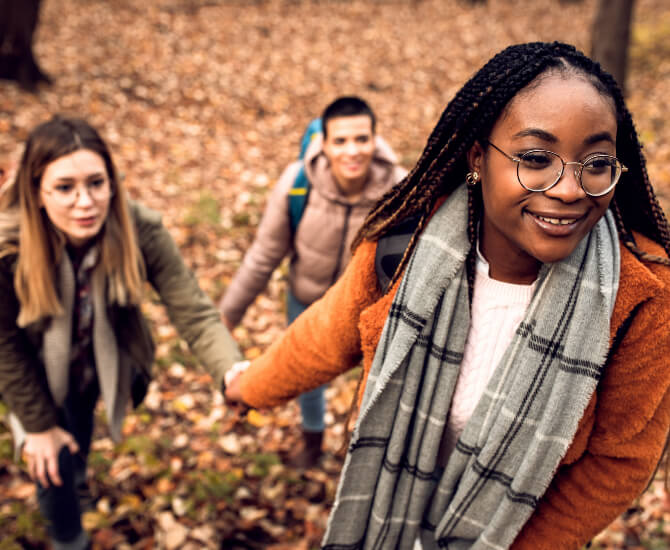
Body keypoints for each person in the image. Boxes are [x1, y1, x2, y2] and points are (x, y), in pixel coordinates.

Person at [225, 42, 670, 549]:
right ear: (478, 157)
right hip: (389, 518)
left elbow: (619, 460)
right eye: (536, 157)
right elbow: (323, 336)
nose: (570, 189)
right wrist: (248, 387)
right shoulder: (404, 243)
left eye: (595, 162)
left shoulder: (641, 295)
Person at [0, 116, 242, 550]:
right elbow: (2, 343)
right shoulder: (8, 248)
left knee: (80, 421)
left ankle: (78, 473)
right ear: (37, 191)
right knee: (49, 459)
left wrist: (232, 371)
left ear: (113, 181)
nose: (85, 202)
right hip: (32, 371)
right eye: (65, 188)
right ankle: (70, 538)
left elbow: (194, 311)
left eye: (96, 183)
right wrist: (37, 426)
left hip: (100, 362)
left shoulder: (138, 230)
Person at [220, 96, 407, 466]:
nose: (351, 151)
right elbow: (263, 256)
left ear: (375, 139)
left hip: (370, 313)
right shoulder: (299, 182)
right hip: (305, 300)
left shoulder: (400, 188)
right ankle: (312, 441)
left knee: (376, 389)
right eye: (340, 141)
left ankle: (365, 460)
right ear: (323, 142)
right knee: (307, 376)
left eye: (361, 139)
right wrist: (226, 316)